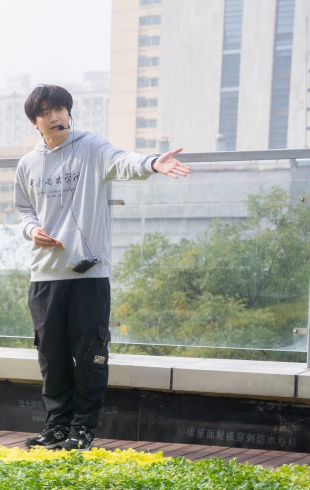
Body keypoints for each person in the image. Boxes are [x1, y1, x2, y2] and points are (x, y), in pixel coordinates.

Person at [15, 84, 191, 452]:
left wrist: (153, 163)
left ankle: (83, 428)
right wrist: (32, 230)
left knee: (90, 356)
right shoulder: (27, 164)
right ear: (35, 122)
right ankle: (57, 427)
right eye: (46, 112)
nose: (55, 117)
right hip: (45, 275)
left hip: (88, 275)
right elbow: (24, 209)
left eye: (60, 109)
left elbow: (122, 160)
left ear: (69, 112)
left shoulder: (91, 147)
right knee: (52, 357)